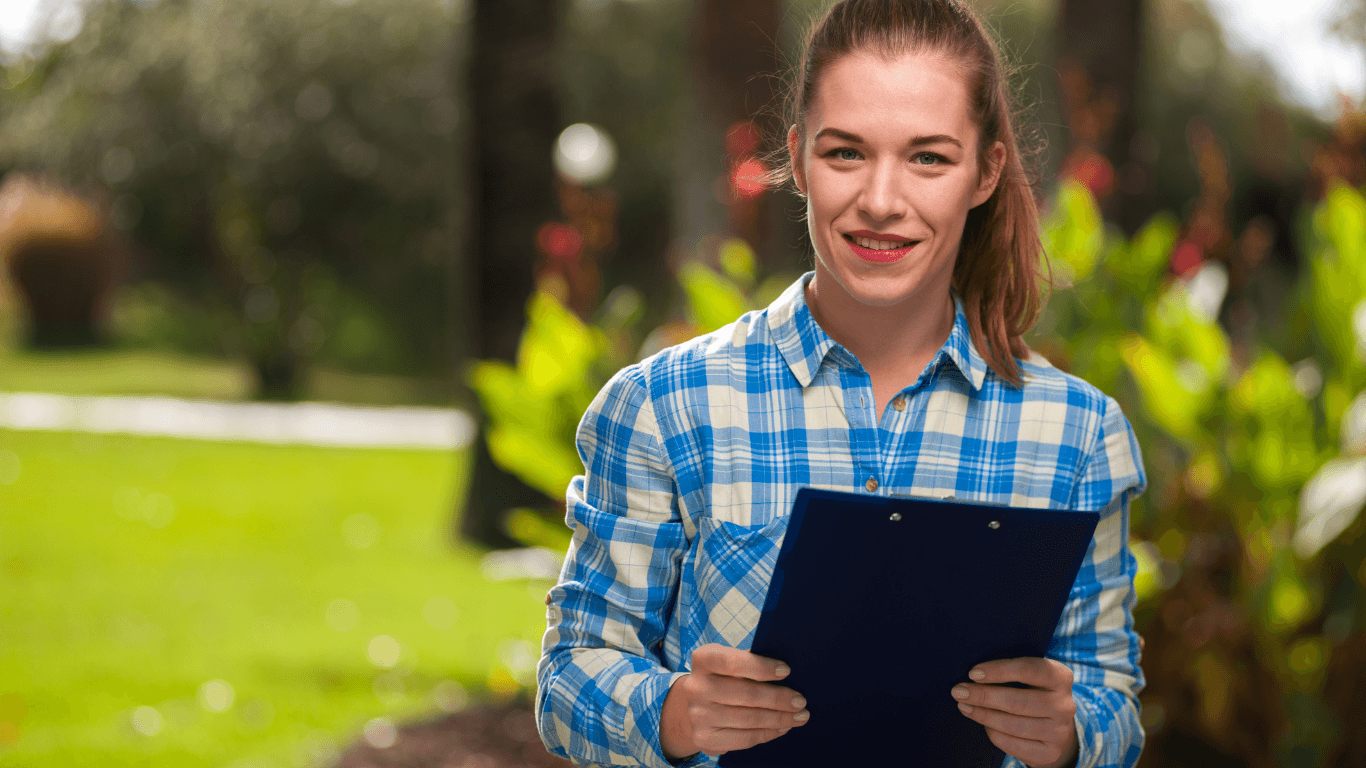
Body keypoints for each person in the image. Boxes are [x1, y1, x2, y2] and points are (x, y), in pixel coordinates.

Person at [535, 1, 1146, 767]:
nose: (882, 201)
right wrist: (673, 714)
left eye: (928, 158)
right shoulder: (665, 407)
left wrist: (1075, 733)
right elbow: (568, 678)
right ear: (797, 158)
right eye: (846, 154)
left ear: (985, 172)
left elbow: (1111, 700)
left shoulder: (1079, 436)